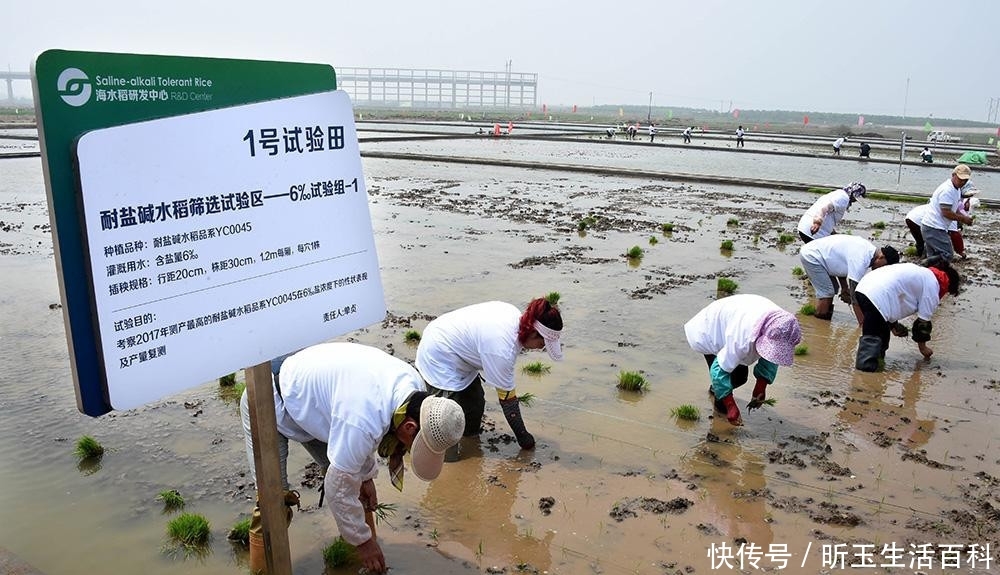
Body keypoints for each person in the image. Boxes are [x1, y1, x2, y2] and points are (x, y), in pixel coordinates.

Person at [240, 342, 465, 574]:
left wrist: (366, 478)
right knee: (273, 502)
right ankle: (264, 571)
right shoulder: (362, 418)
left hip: (317, 405)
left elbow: (364, 436)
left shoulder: (413, 389)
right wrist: (364, 543)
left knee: (355, 481)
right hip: (269, 395)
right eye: (414, 445)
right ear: (409, 427)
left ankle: (359, 566)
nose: (408, 450)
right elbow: (337, 487)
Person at [416, 296, 564, 455]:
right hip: (438, 352)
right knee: (445, 420)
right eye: (542, 344)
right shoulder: (502, 350)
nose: (540, 349)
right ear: (533, 333)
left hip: (460, 351)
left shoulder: (515, 315)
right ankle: (445, 460)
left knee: (475, 403)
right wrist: (524, 439)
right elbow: (508, 402)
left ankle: (470, 443)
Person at [684, 294, 802, 426]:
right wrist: (730, 405)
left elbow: (772, 355)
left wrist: (761, 386)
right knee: (736, 378)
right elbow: (718, 371)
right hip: (709, 330)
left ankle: (717, 392)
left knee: (737, 376)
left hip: (733, 320)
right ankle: (720, 424)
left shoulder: (783, 325)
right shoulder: (742, 339)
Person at [852, 258, 961, 371]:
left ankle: (875, 369)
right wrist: (923, 349)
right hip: (877, 296)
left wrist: (894, 326)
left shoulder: (922, 274)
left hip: (864, 288)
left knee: (882, 334)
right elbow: (923, 323)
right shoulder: (933, 284)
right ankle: (865, 376)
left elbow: (893, 294)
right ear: (948, 284)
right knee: (873, 337)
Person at [799, 235, 899, 322]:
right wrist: (863, 324)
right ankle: (819, 323)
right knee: (827, 292)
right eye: (885, 266)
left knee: (833, 289)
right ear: (881, 257)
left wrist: (844, 287)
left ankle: (823, 316)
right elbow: (855, 297)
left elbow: (841, 265)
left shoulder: (868, 250)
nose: (882, 270)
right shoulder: (862, 259)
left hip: (823, 256)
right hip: (812, 256)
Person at [919, 164, 975, 262]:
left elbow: (955, 208)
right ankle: (924, 264)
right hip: (934, 227)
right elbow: (946, 212)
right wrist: (963, 219)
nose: (962, 182)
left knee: (934, 255)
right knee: (947, 255)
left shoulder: (956, 189)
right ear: (953, 175)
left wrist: (965, 217)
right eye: (960, 179)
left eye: (965, 180)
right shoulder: (947, 190)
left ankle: (930, 272)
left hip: (934, 227)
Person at [906, 190, 979, 259]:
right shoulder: (951, 214)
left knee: (923, 241)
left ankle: (922, 255)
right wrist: (961, 252)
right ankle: (925, 258)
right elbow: (955, 235)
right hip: (916, 219)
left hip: (912, 216)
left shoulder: (951, 207)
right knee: (926, 242)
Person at [796, 182, 866, 243]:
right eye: (855, 198)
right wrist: (817, 222)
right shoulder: (844, 198)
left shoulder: (837, 194)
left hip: (805, 228)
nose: (855, 201)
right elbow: (825, 208)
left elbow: (829, 216)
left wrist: (834, 234)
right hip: (815, 231)